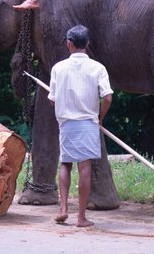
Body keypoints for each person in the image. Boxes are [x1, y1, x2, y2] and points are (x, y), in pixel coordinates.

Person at [48, 25, 112, 227]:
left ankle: (63, 209)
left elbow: (52, 100)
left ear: (69, 44)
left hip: (67, 123)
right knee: (84, 167)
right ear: (87, 44)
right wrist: (100, 117)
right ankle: (81, 217)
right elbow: (108, 97)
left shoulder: (58, 68)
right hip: (88, 123)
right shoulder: (98, 68)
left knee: (65, 164)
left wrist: (61, 101)